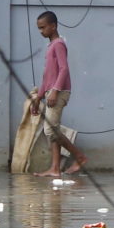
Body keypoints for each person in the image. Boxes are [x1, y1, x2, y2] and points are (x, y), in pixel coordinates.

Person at [32, 11, 87, 176]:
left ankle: (79, 156)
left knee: (50, 130)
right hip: (51, 91)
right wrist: (38, 97)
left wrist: (55, 91)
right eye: (39, 28)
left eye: (43, 28)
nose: (41, 31)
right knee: (53, 129)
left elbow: (64, 69)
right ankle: (55, 168)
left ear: (53, 26)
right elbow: (47, 77)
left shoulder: (58, 44)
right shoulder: (51, 46)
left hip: (59, 91)